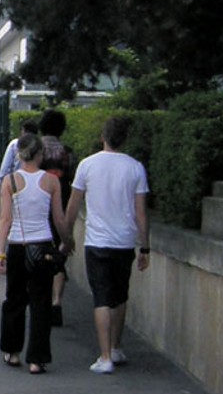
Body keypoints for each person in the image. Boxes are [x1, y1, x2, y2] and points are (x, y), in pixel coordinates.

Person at [64, 117, 150, 375]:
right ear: (125, 139)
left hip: (97, 240)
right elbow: (141, 212)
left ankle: (104, 357)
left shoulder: (87, 165)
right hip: (124, 241)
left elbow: (73, 204)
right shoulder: (135, 168)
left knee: (101, 297)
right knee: (120, 294)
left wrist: (66, 235)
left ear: (103, 137)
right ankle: (115, 346)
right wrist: (145, 247)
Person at [0, 133, 71, 374]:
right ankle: (37, 359)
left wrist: (0, 253)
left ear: (19, 154)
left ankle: (13, 351)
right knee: (41, 305)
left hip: (18, 246)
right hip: (43, 245)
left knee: (14, 300)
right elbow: (59, 218)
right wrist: (67, 241)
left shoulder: (10, 181)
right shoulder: (51, 182)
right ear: (41, 154)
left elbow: (5, 219)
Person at [37, 109, 76, 327]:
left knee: (39, 253)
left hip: (39, 207)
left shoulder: (36, 150)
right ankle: (57, 301)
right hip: (61, 205)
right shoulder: (68, 153)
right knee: (59, 255)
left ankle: (40, 299)